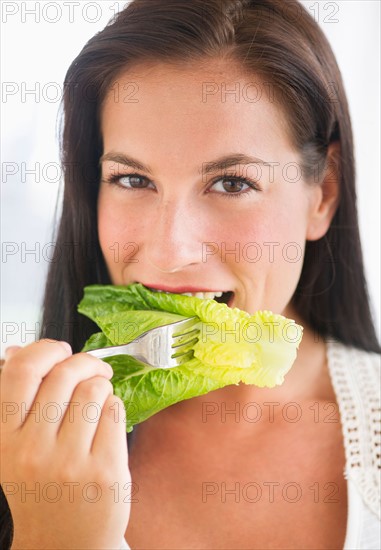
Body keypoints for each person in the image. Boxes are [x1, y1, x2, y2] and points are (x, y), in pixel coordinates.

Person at [1, 0, 380, 548]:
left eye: (232, 183)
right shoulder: (18, 445)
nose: (170, 250)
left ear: (323, 193)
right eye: (132, 179)